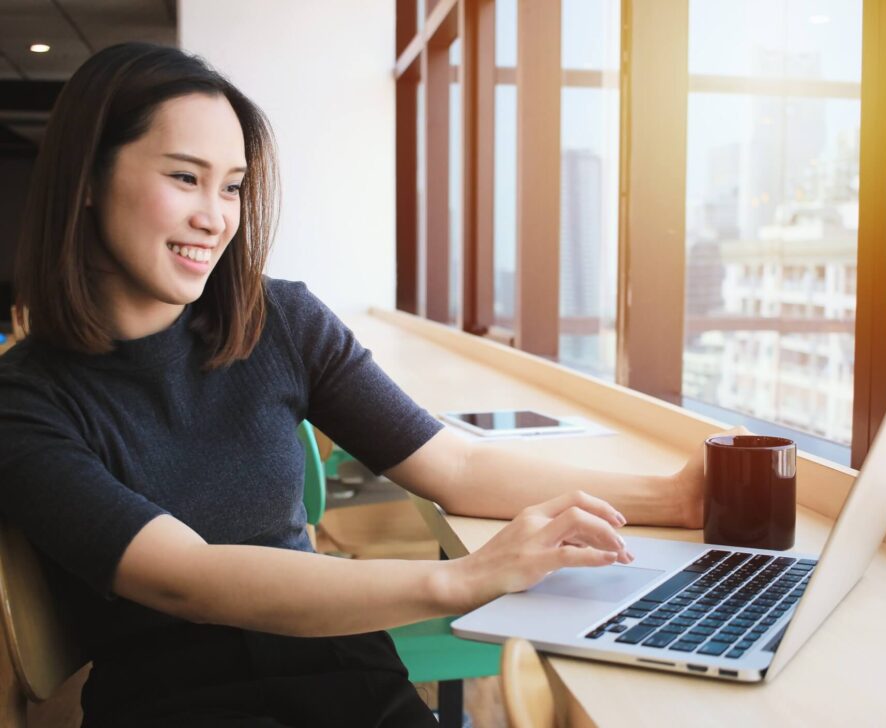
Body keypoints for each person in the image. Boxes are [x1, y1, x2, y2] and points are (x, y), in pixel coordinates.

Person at [0, 43, 707, 727]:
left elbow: (453, 465)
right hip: (176, 700)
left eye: (233, 186)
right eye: (184, 178)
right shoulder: (24, 399)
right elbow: (185, 575)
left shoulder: (279, 320)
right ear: (88, 180)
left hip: (339, 671)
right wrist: (461, 580)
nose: (214, 217)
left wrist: (675, 498)